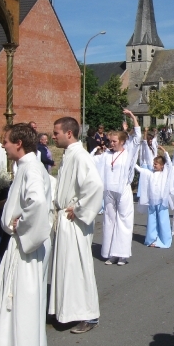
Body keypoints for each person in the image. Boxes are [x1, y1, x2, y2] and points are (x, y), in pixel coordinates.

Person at [0, 123, 52, 346]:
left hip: (25, 247)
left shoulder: (31, 168)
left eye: (6, 141)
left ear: (19, 143)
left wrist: (20, 226)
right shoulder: (26, 165)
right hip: (24, 243)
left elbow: (38, 203)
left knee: (22, 304)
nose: (3, 145)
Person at [49, 117, 104, 334]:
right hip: (65, 220)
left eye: (56, 133)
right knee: (66, 268)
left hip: (74, 222)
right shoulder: (69, 154)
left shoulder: (80, 156)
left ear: (69, 133)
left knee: (79, 267)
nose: (53, 136)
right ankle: (67, 311)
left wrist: (78, 209)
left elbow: (95, 185)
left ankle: (89, 315)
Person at [93, 109, 141, 265]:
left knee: (124, 220)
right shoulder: (106, 155)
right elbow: (92, 164)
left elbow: (138, 136)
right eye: (110, 141)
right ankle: (110, 253)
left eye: (114, 141)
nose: (111, 143)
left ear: (121, 141)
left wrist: (132, 116)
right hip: (109, 191)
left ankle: (122, 254)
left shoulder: (129, 152)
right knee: (109, 220)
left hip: (123, 190)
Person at [135, 146, 174, 248]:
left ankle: (165, 241)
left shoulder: (165, 173)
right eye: (153, 164)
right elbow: (140, 170)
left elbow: (169, 164)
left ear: (162, 166)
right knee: (152, 221)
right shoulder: (150, 174)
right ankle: (152, 239)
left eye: (156, 164)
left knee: (163, 221)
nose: (154, 165)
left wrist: (165, 152)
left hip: (162, 202)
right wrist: (132, 162)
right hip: (152, 201)